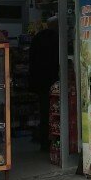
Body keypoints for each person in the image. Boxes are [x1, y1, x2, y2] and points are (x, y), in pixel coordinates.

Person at [28, 16, 60, 148]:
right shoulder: (57, 38)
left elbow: (31, 58)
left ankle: (45, 141)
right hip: (53, 79)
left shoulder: (38, 37)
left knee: (44, 111)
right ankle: (52, 141)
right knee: (54, 110)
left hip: (40, 80)